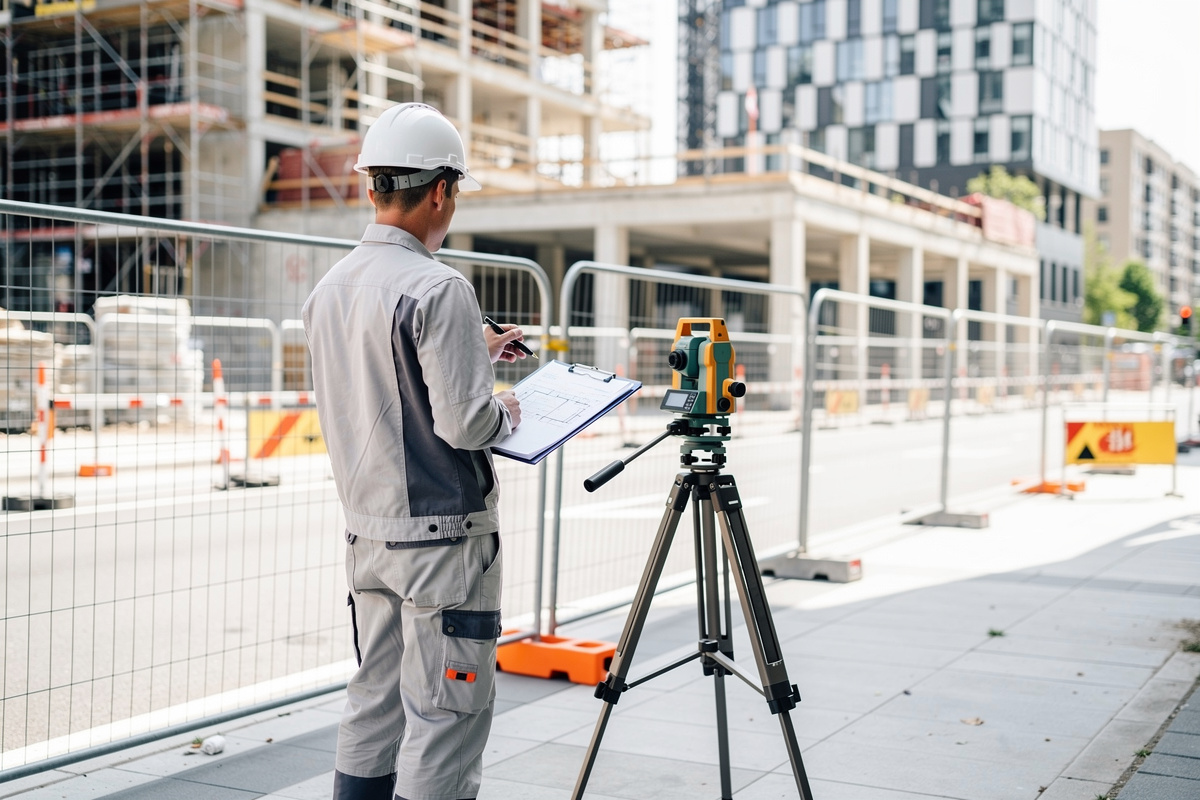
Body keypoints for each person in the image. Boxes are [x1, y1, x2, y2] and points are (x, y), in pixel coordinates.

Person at [302, 102, 526, 800]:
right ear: (440, 191)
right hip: (443, 546)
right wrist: (507, 407)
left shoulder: (328, 290)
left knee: (373, 700)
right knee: (445, 718)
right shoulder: (440, 285)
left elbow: (385, 376)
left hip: (369, 535)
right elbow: (466, 424)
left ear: (374, 187)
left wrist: (473, 351)